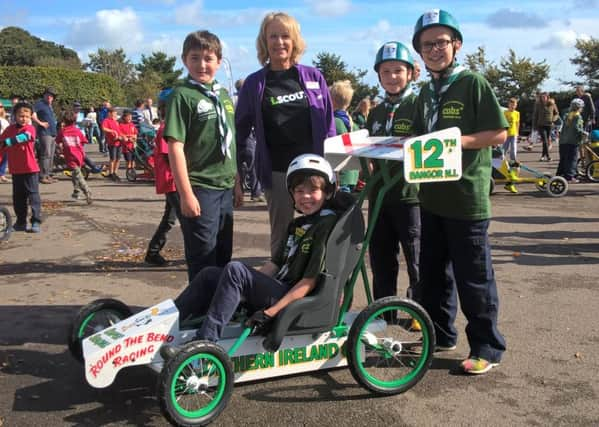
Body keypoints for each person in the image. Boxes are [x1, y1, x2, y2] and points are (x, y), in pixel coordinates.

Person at [161, 154, 339, 355]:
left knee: (236, 271)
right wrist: (247, 288)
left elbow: (309, 282)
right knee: (210, 274)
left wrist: (270, 312)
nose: (305, 197)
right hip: (281, 288)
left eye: (313, 190)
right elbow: (275, 264)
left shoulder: (325, 225)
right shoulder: (297, 225)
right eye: (299, 191)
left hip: (297, 302)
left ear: (327, 192)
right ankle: (164, 325)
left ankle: (204, 343)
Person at [411, 9, 507, 374]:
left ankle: (487, 346)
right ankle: (440, 334)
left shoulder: (473, 84)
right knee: (434, 276)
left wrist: (457, 141)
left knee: (474, 278)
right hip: (431, 198)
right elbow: (422, 137)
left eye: (441, 42)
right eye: (426, 44)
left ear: (457, 45)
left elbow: (498, 133)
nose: (434, 49)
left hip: (466, 200)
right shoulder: (424, 92)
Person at [235, 11, 336, 259]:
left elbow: (329, 123)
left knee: (324, 229)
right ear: (264, 41)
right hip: (278, 171)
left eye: (285, 36)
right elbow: (239, 130)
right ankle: (278, 285)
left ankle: (319, 287)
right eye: (273, 36)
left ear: (294, 41)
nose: (279, 42)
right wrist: (237, 172)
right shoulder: (254, 83)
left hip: (317, 170)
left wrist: (334, 167)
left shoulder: (313, 77)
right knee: (282, 234)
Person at [164, 30, 243, 282]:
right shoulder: (182, 95)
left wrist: (237, 182)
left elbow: (230, 141)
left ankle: (219, 307)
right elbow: (175, 147)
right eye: (195, 58)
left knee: (223, 254)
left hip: (225, 186)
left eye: (208, 58)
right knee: (203, 257)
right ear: (184, 60)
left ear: (219, 62)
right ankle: (199, 313)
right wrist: (185, 194)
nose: (202, 65)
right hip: (200, 187)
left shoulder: (222, 95)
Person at [366, 41, 420, 301]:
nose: (392, 77)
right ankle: (383, 313)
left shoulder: (419, 105)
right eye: (385, 72)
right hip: (379, 197)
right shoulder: (375, 112)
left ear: (410, 73)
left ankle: (419, 309)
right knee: (381, 260)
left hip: (410, 195)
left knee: (416, 259)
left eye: (398, 70)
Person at [145, 89, 182, 266]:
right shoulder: (167, 129)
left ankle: (153, 252)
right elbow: (171, 157)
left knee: (169, 219)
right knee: (189, 222)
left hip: (173, 181)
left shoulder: (168, 127)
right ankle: (196, 256)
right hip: (172, 181)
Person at [0, 102, 42, 233]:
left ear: (30, 117)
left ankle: (35, 221)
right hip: (16, 169)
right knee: (18, 198)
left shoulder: (30, 129)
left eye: (26, 116)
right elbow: (1, 145)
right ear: (14, 116)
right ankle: (20, 222)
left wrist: (7, 142)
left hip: (30, 169)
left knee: (33, 196)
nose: (23, 118)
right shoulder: (9, 129)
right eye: (20, 116)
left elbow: (25, 137)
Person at [235, 78, 265, 202]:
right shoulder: (248, 98)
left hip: (235, 136)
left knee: (238, 167)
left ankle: (238, 191)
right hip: (248, 136)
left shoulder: (232, 99)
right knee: (253, 166)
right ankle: (256, 192)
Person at [56, 110, 93, 204]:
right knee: (75, 174)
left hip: (70, 156)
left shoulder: (62, 131)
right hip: (79, 155)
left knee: (78, 175)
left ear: (64, 121)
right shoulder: (78, 131)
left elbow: (57, 141)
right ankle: (76, 192)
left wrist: (61, 149)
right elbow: (84, 141)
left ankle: (87, 191)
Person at [331, 80, 360, 193]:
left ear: (331, 100)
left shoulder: (334, 123)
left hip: (340, 176)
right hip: (352, 175)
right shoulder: (354, 125)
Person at [556, 98, 588, 183]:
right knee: (572, 159)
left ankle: (560, 174)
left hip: (563, 141)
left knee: (563, 159)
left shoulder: (567, 115)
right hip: (572, 141)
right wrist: (584, 133)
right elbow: (576, 128)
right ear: (579, 107)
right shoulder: (577, 116)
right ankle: (570, 176)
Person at [32, 87, 58, 184]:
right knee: (46, 154)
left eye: (51, 96)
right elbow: (32, 113)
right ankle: (42, 176)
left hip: (52, 133)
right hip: (44, 133)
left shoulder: (49, 106)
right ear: (44, 95)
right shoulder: (40, 104)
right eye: (48, 95)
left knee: (51, 155)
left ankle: (48, 174)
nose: (49, 97)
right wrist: (40, 123)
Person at [533, 92, 559, 161]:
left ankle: (542, 156)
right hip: (540, 125)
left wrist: (553, 120)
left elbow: (556, 114)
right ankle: (548, 156)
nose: (543, 98)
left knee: (546, 141)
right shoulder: (538, 105)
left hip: (549, 125)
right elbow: (535, 115)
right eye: (542, 97)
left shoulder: (552, 104)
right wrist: (534, 126)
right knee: (544, 140)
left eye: (545, 97)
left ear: (548, 97)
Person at [102, 108, 122, 181]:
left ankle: (115, 172)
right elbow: (104, 128)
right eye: (114, 113)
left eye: (116, 114)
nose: (115, 115)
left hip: (119, 142)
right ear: (110, 114)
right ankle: (111, 173)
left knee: (118, 158)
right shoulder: (106, 120)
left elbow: (119, 131)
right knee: (112, 158)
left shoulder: (116, 122)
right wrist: (112, 131)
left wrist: (122, 136)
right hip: (112, 142)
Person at [502, 97, 520, 168]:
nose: (513, 106)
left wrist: (517, 132)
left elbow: (517, 123)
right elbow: (503, 123)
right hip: (507, 133)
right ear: (509, 105)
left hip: (514, 133)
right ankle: (502, 158)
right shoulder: (505, 112)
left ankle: (513, 159)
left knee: (513, 147)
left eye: (514, 105)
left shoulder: (517, 113)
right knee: (505, 147)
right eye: (511, 105)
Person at [0, 105, 10, 183]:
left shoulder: (4, 119)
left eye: (1, 107)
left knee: (4, 158)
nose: (0, 108)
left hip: (5, 140)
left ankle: (2, 175)